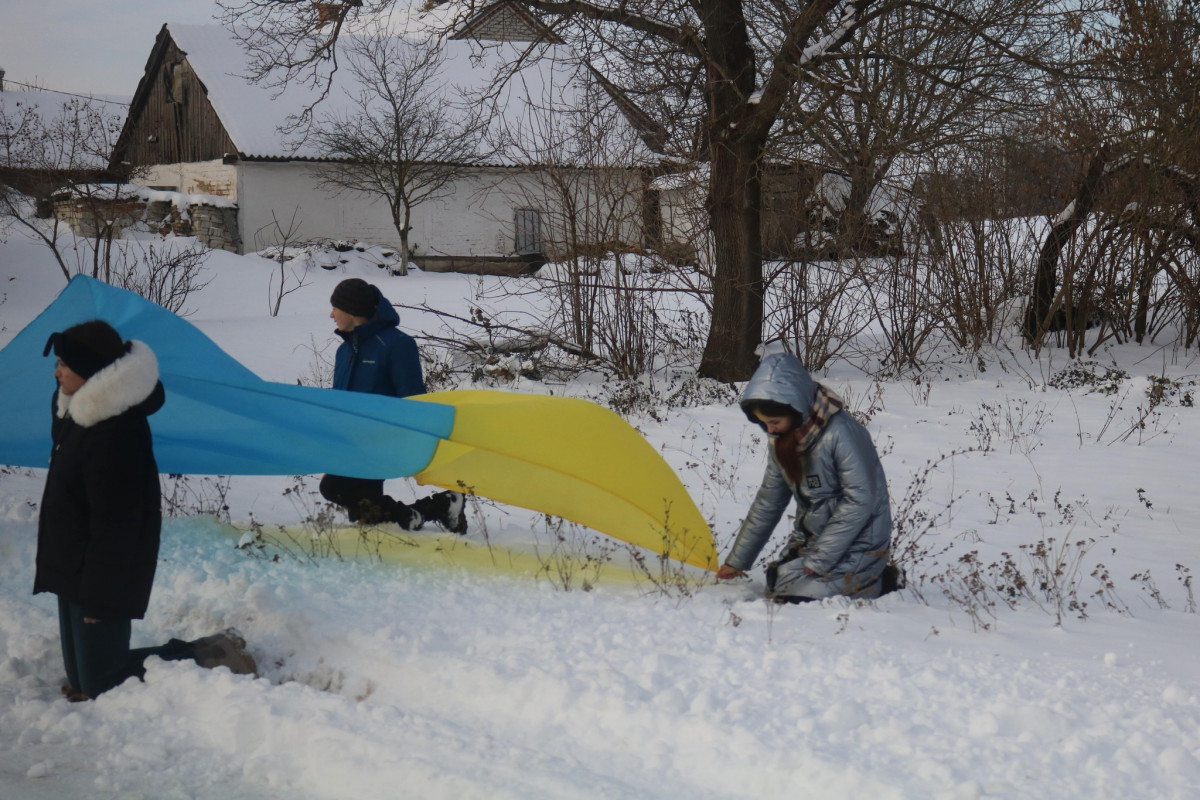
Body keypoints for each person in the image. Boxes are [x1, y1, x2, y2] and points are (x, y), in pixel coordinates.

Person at [36, 320, 255, 701]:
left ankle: (212, 653)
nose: (56, 372)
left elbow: (118, 526)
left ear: (88, 372)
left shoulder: (114, 432)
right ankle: (197, 652)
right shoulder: (78, 415)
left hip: (101, 574)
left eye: (64, 365)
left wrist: (101, 600)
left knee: (101, 681)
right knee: (83, 676)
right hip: (73, 565)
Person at [716, 351, 893, 602]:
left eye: (774, 421)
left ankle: (878, 580)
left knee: (803, 596)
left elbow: (861, 499)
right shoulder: (783, 440)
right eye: (763, 423)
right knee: (779, 585)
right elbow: (768, 502)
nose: (769, 429)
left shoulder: (843, 432)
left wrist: (821, 558)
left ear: (796, 409)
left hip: (861, 542)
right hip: (815, 542)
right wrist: (738, 561)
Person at [320, 277, 468, 534]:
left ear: (352, 311)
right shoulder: (344, 352)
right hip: (352, 444)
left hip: (381, 442)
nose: (331, 314)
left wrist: (409, 443)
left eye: (336, 307)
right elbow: (339, 405)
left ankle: (417, 514)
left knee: (334, 489)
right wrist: (334, 452)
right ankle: (438, 507)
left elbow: (413, 400)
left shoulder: (397, 345)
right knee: (368, 518)